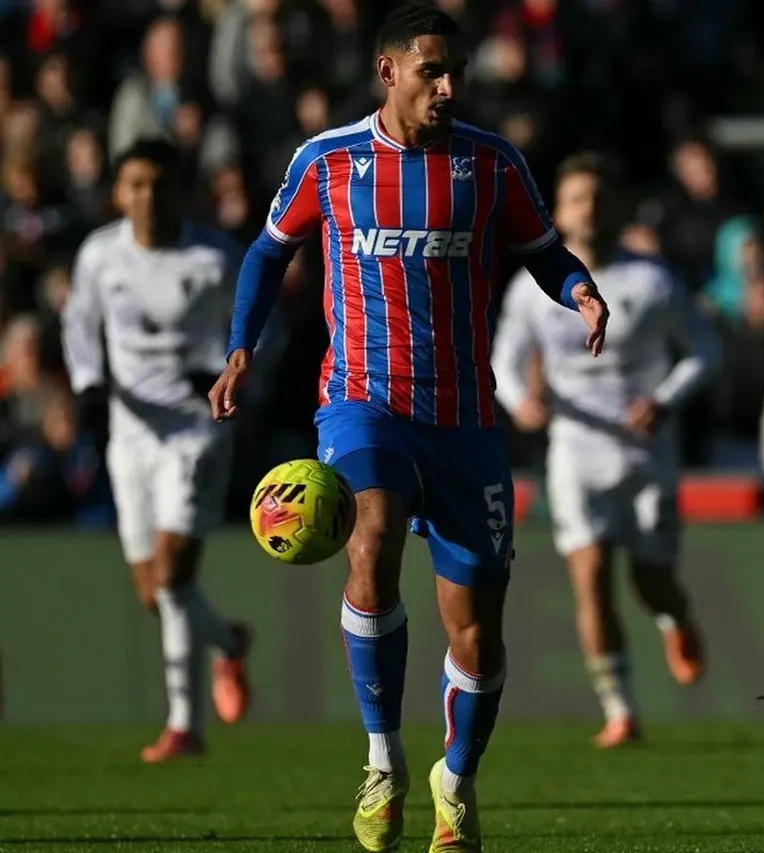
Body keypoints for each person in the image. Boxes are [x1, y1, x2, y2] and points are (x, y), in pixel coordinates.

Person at [206, 5, 609, 852]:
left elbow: (542, 248)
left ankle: (454, 780)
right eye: (433, 70)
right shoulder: (328, 161)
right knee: (371, 536)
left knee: (475, 628)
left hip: (465, 419)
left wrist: (579, 291)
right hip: (363, 401)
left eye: (457, 69)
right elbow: (267, 251)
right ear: (390, 72)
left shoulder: (490, 162)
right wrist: (240, 347)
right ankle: (383, 757)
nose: (450, 86)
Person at [492, 152, 720, 749]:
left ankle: (675, 618)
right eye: (576, 198)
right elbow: (505, 359)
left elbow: (704, 350)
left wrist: (666, 399)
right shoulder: (532, 288)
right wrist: (520, 402)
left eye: (598, 196)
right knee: (590, 578)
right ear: (557, 212)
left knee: (651, 581)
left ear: (616, 207)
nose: (588, 208)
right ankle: (620, 709)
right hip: (574, 450)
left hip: (645, 450)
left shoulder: (653, 280)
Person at [61, 138, 253, 763]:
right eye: (135, 184)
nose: (148, 196)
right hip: (130, 433)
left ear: (181, 192)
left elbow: (256, 333)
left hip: (196, 430)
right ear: (119, 192)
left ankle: (183, 727)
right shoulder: (99, 255)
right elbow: (79, 326)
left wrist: (223, 373)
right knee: (153, 592)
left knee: (173, 577)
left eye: (160, 184)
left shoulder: (215, 258)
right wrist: (89, 387)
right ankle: (228, 641)